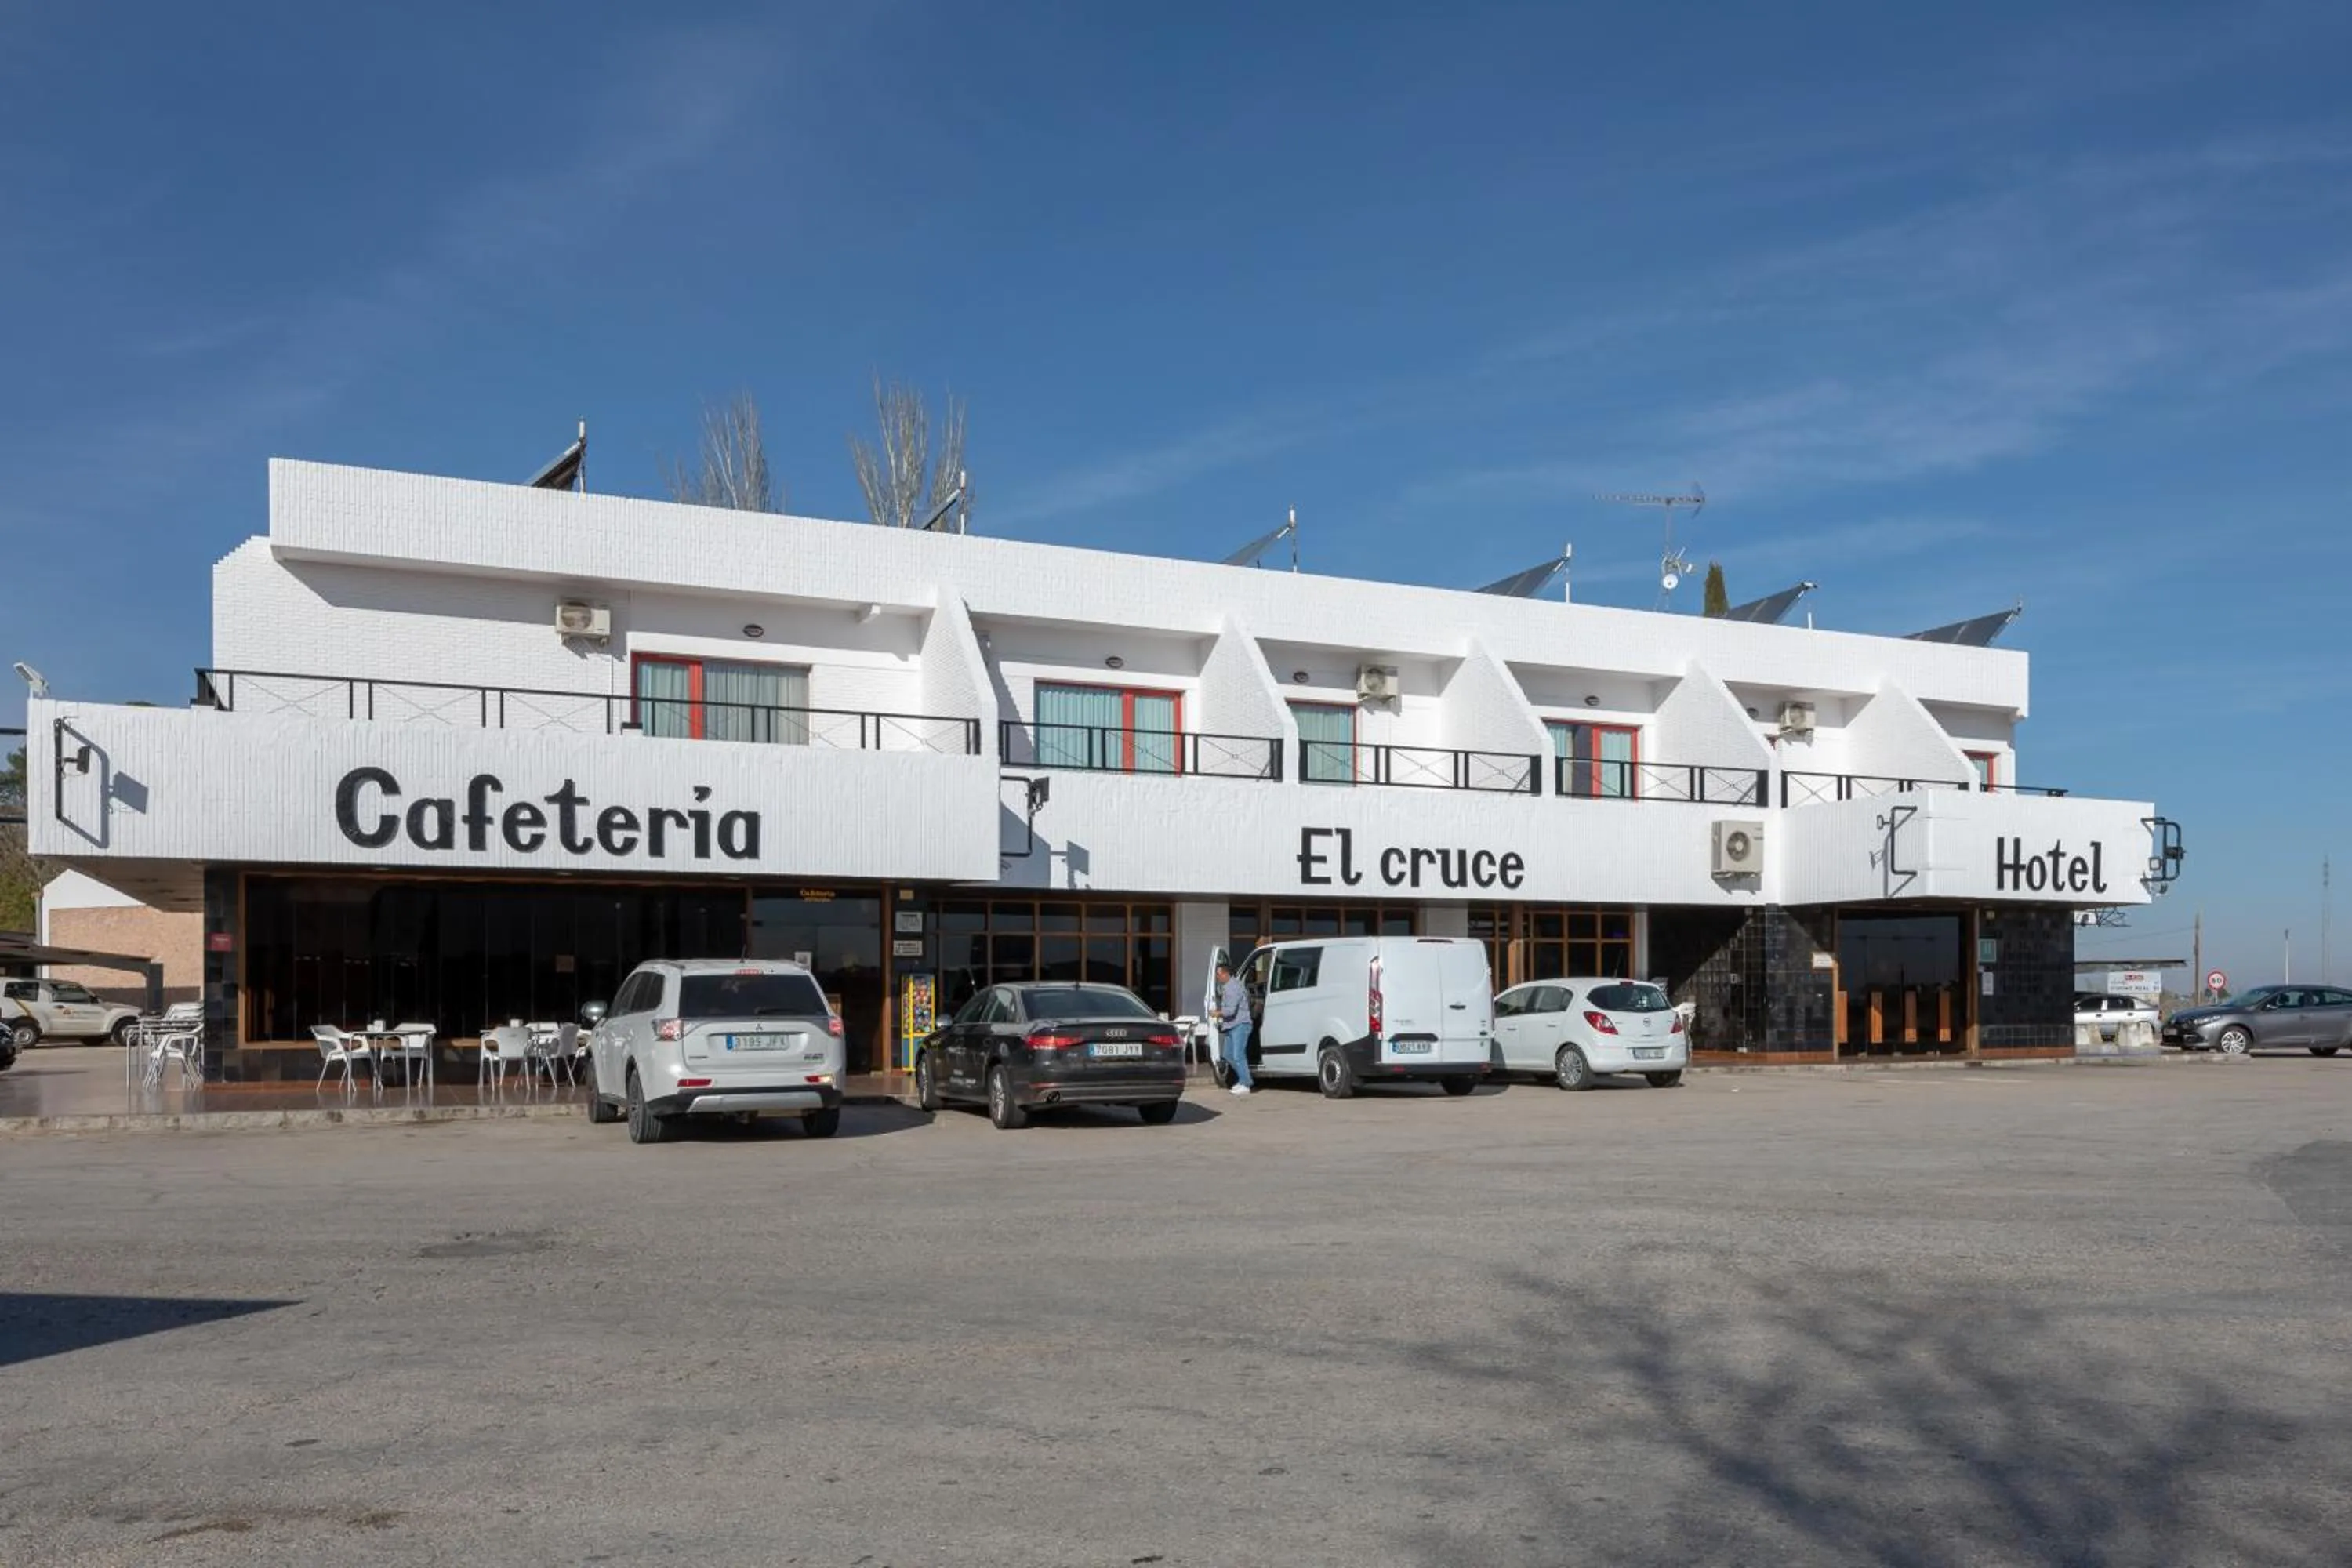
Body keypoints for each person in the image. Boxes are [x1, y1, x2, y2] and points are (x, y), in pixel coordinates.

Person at [1215, 959, 1253, 1097]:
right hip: (1231, 1026)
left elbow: (1230, 1011)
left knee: (1238, 1055)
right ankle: (1243, 1080)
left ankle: (1245, 1084)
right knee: (1228, 1055)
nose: (1217, 978)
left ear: (1225, 974)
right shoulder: (1228, 987)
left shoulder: (1233, 987)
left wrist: (1216, 1013)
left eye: (1218, 975)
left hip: (1240, 1025)